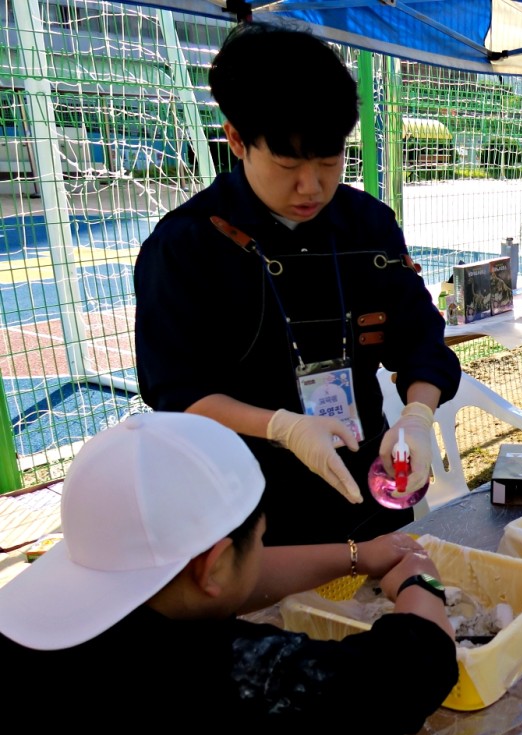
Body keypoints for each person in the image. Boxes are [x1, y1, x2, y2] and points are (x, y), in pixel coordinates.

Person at [0, 412, 459, 735]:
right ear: (214, 563)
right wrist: (421, 580)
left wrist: (358, 555)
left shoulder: (38, 623)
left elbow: (212, 578)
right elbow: (415, 665)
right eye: (259, 542)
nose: (261, 552)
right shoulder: (241, 683)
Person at [134, 23, 462, 547]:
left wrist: (417, 417)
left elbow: (421, 340)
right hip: (250, 512)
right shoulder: (185, 247)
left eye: (330, 161)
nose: (312, 187)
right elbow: (178, 391)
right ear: (236, 140)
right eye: (288, 163)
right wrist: (284, 427)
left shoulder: (368, 225)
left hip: (368, 485)